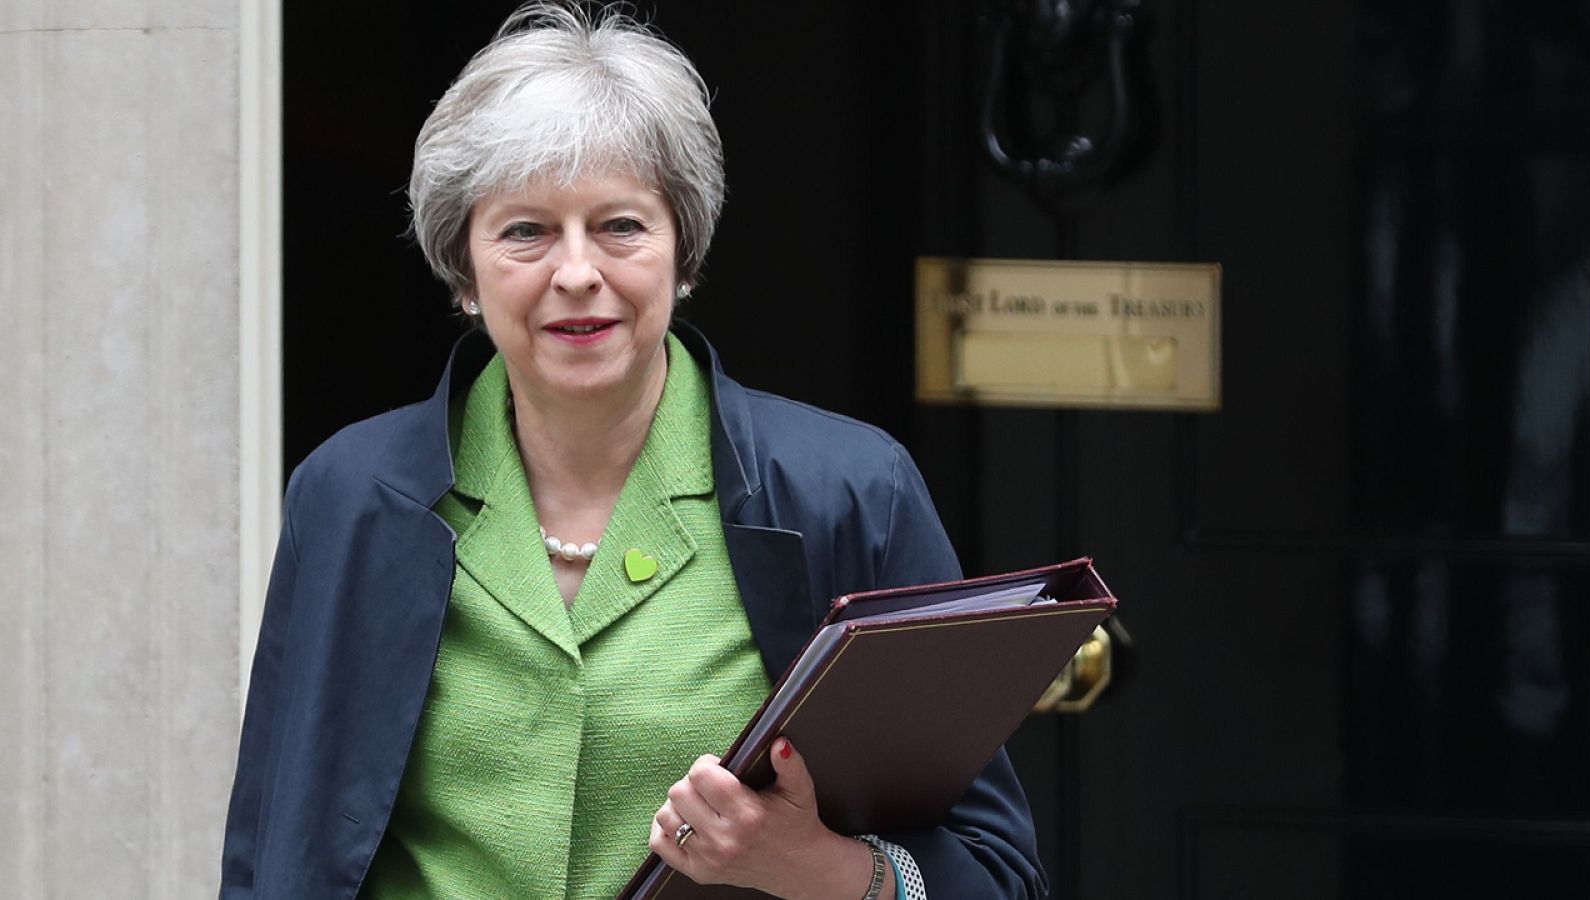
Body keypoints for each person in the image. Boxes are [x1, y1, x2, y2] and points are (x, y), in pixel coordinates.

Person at [219, 3, 1047, 898]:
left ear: (682, 253)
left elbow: (997, 877)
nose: (578, 272)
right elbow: (267, 855)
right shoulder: (349, 494)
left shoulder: (850, 491)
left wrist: (820, 868)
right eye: (525, 231)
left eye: (620, 226)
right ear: (463, 270)